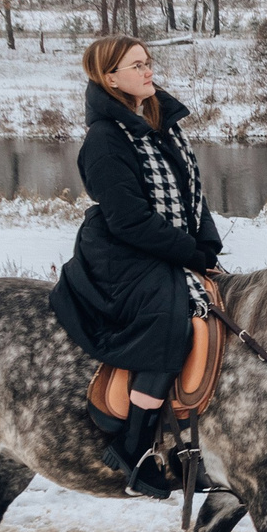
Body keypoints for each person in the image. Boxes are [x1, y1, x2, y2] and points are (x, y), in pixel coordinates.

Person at [48, 35, 224, 498]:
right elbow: (129, 221)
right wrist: (188, 255)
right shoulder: (105, 140)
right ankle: (134, 448)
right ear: (110, 79)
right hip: (120, 255)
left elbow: (192, 195)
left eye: (148, 62)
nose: (148, 72)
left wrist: (206, 247)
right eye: (137, 65)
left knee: (220, 311)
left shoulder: (162, 122)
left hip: (164, 246)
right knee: (171, 320)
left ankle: (198, 440)